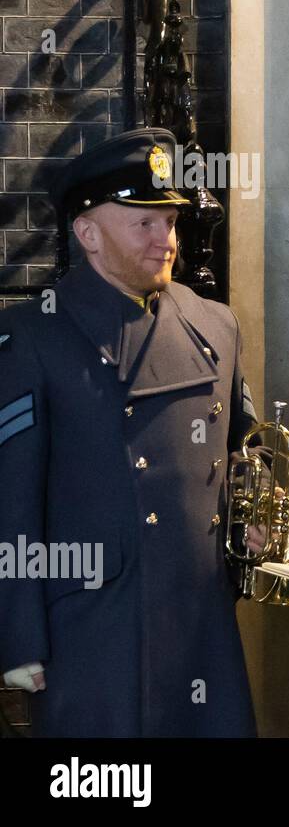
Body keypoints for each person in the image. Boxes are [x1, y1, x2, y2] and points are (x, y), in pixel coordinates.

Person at [0, 127, 265, 736]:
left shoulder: (216, 324)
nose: (164, 240)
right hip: (94, 626)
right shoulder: (33, 338)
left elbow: (244, 446)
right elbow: (10, 503)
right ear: (87, 233)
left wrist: (254, 516)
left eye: (169, 222)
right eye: (142, 223)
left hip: (201, 617)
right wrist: (19, 638)